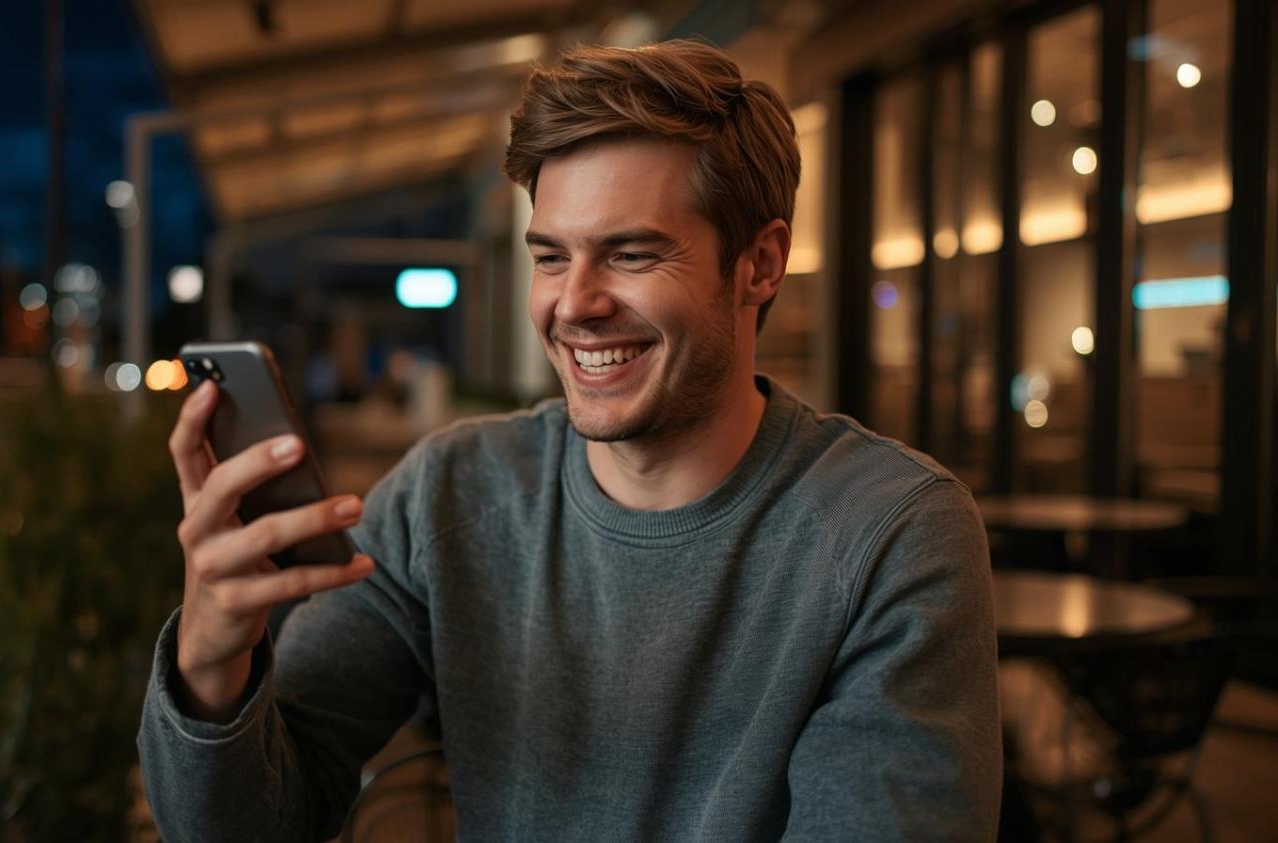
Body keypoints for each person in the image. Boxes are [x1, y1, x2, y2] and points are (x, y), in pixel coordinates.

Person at [139, 39, 1001, 841]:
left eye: (629, 254)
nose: (573, 303)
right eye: (550, 257)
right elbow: (253, 823)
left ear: (760, 264)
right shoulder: (450, 493)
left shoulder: (888, 533)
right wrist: (212, 662)